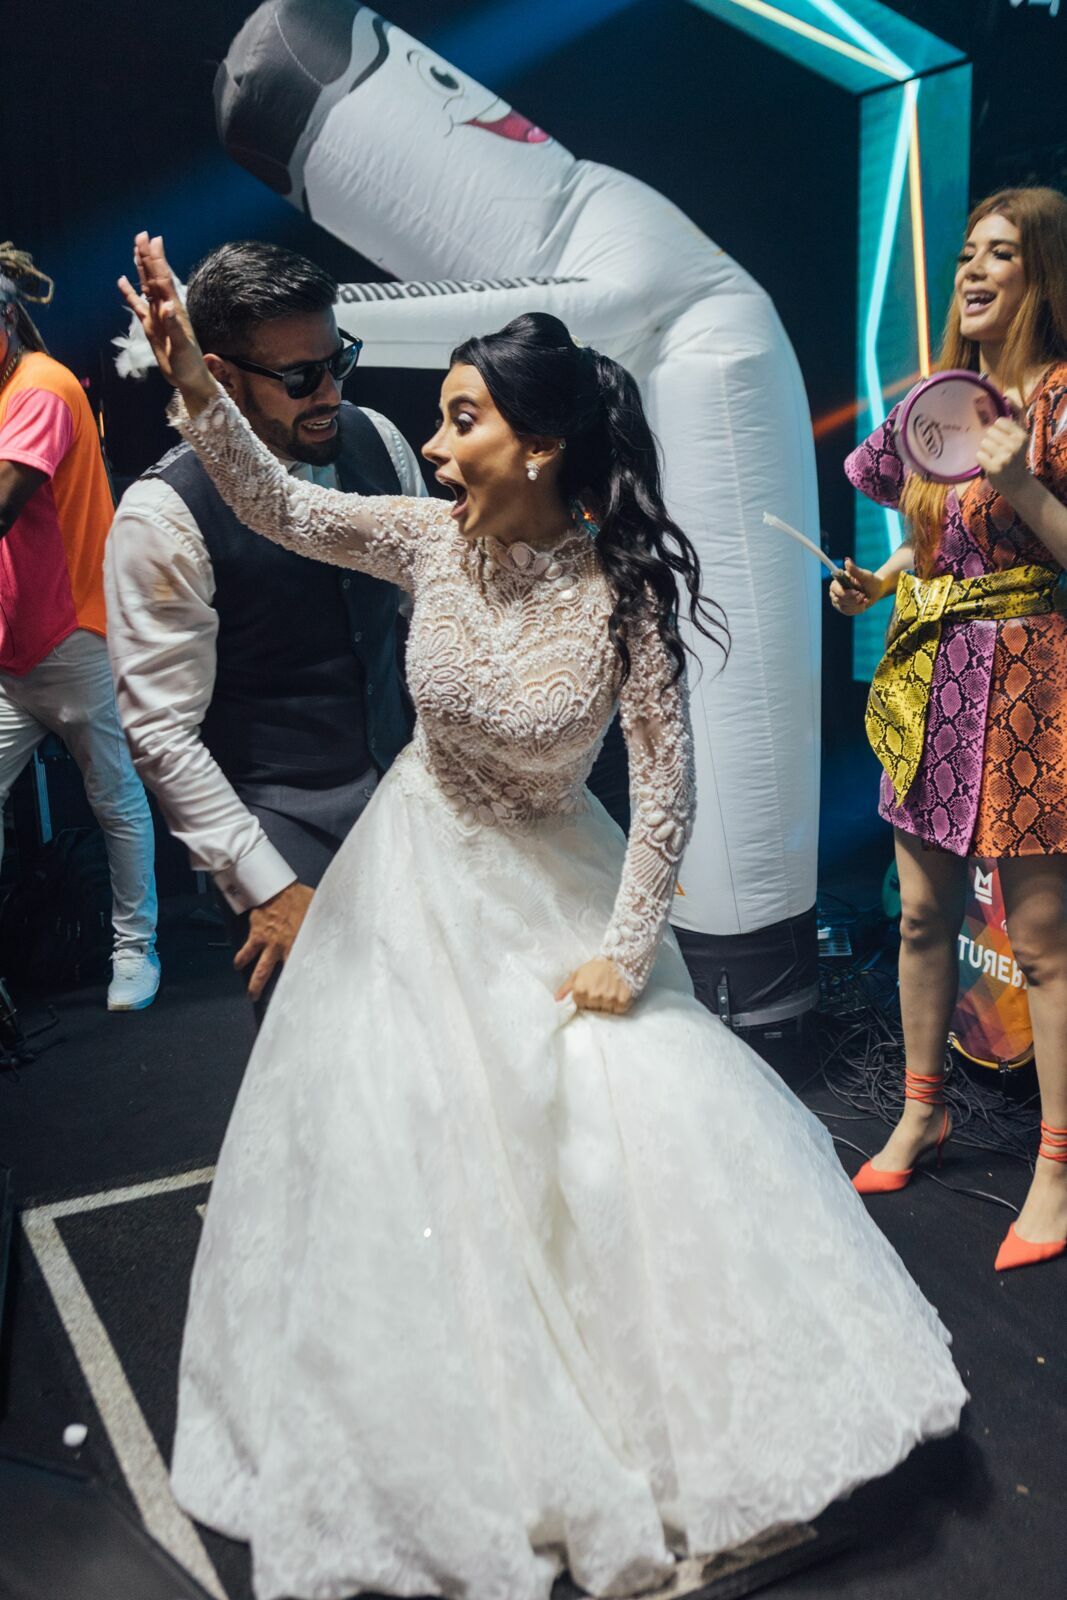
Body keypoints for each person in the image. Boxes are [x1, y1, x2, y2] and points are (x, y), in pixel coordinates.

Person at [123, 232, 965, 1600]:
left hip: (558, 879)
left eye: (461, 420)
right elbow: (275, 504)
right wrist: (191, 387)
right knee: (419, 1152)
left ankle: (678, 1425)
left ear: (540, 445)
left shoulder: (619, 591)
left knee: (628, 1119)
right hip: (411, 875)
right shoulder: (419, 541)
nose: (432, 446)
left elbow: (668, 789)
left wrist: (625, 956)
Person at [832, 186, 1067, 1272]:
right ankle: (921, 1112)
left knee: (1042, 947)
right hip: (931, 678)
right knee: (922, 918)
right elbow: (927, 540)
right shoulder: (940, 399)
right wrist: (872, 580)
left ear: (1041, 274)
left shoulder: (1058, 401)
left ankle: (1053, 1169)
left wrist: (1021, 478)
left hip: (1027, 678)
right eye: (966, 253)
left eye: (999, 255)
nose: (971, 272)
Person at [106, 242, 424, 1022]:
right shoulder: (162, 517)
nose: (328, 393)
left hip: (411, 798)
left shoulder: (376, 439)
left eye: (336, 359)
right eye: (297, 377)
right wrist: (266, 886)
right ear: (219, 376)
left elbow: (425, 615)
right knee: (332, 1063)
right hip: (282, 820)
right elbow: (161, 735)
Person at [0, 263, 159, 1010]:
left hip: (73, 638)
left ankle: (136, 949)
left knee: (115, 798)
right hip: (12, 653)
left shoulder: (40, 387)